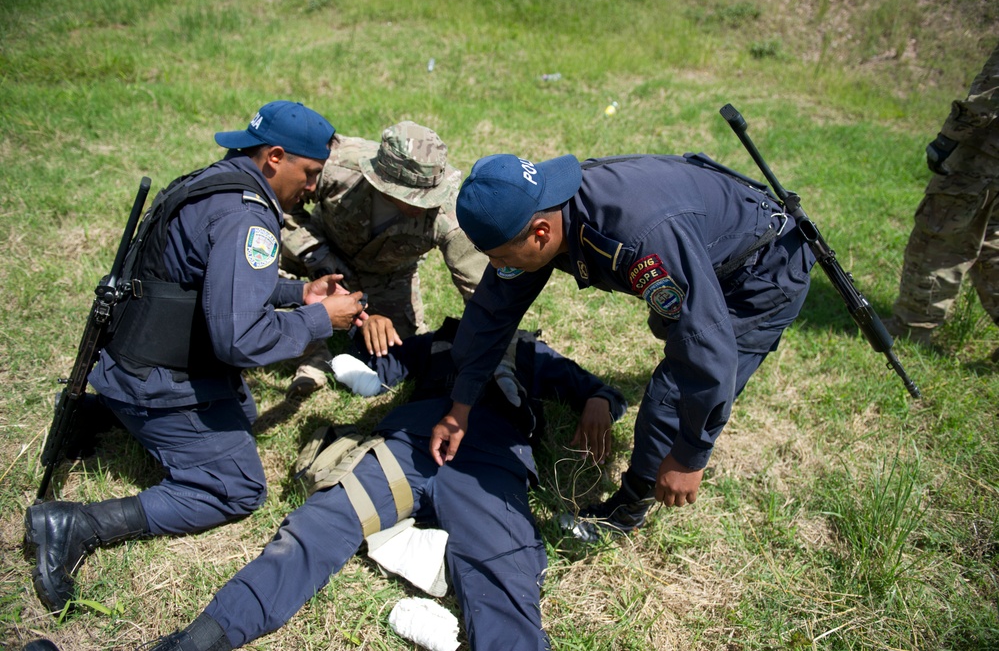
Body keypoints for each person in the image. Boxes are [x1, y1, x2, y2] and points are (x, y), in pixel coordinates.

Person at [23, 101, 369, 614]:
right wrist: (324, 321)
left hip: (131, 360)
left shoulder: (219, 181)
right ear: (275, 156)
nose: (313, 188)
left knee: (243, 418)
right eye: (311, 173)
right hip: (155, 378)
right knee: (237, 487)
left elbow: (215, 283)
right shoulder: (248, 217)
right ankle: (76, 524)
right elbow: (240, 339)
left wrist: (300, 297)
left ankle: (105, 415)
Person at [126, 318, 626, 651]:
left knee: (504, 576)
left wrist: (599, 401)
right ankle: (200, 638)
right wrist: (363, 324)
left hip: (489, 463)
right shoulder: (439, 339)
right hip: (409, 445)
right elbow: (373, 370)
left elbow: (597, 389)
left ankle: (427, 555)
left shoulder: (530, 350)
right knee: (315, 528)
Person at [430, 151, 815, 541]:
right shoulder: (541, 205)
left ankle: (628, 510)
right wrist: (461, 404)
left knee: (675, 391)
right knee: (676, 322)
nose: (496, 267)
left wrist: (689, 454)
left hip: (764, 269)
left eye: (498, 257)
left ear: (540, 233)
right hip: (705, 244)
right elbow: (494, 310)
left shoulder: (641, 240)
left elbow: (705, 350)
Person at [280, 121, 487, 399]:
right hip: (320, 250)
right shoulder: (338, 167)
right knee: (262, 279)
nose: (421, 205)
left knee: (400, 350)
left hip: (388, 275)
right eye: (413, 197)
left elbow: (483, 296)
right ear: (384, 183)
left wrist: (496, 362)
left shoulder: (449, 218)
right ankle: (314, 355)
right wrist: (315, 255)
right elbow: (284, 206)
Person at [887, 41, 999, 357]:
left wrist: (949, 137)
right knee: (991, 239)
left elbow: (990, 92)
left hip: (982, 159)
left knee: (937, 236)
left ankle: (913, 326)